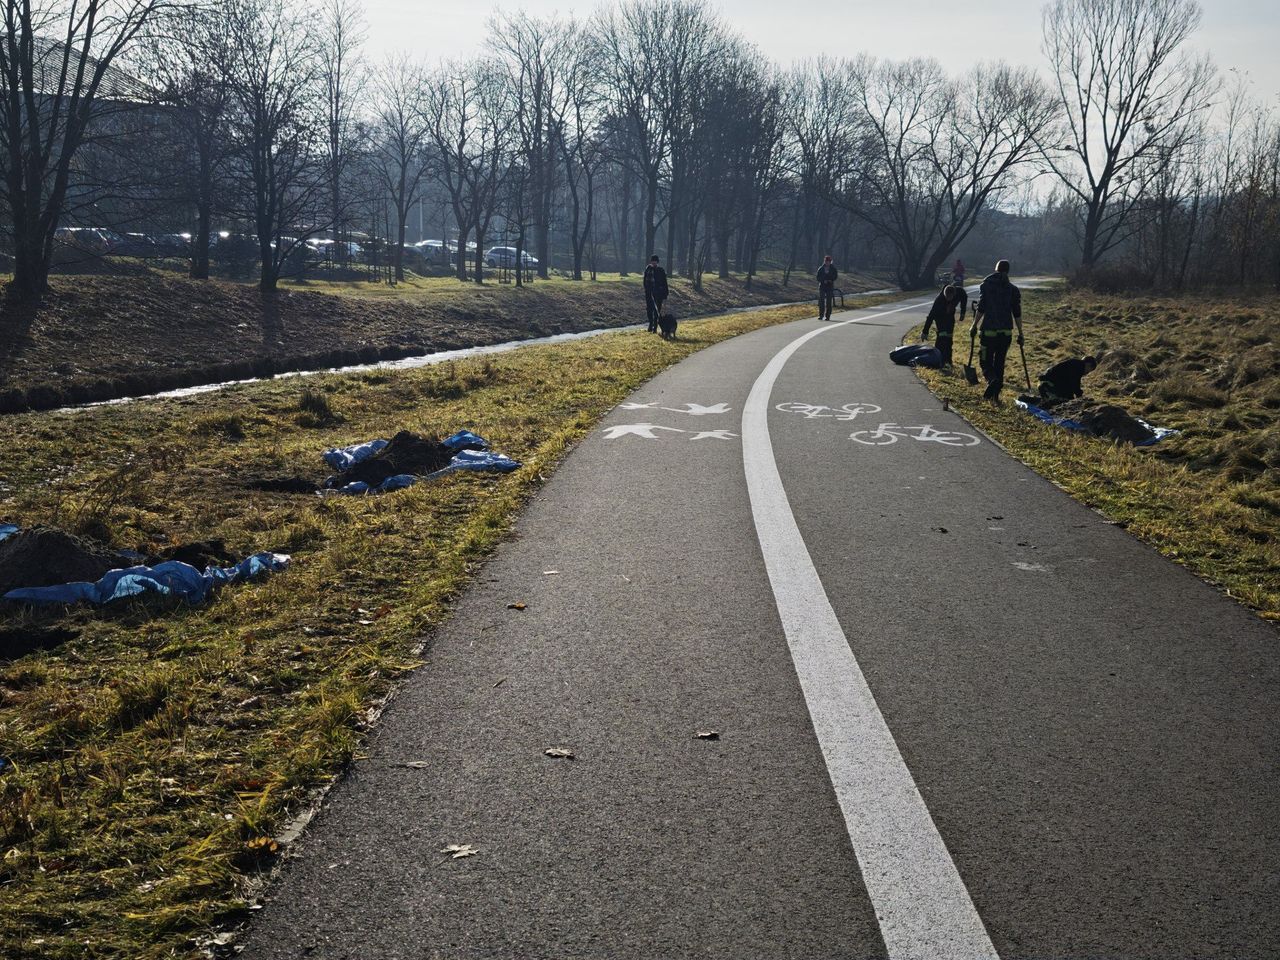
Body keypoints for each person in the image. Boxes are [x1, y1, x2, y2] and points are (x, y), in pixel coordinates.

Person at [970, 259, 1023, 402]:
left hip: (989, 333)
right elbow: (1016, 313)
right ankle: (995, 395)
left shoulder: (986, 286)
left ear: (996, 269)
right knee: (999, 363)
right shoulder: (1013, 289)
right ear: (1008, 271)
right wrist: (1020, 332)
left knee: (985, 361)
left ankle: (992, 380)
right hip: (1006, 334)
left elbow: (981, 308)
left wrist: (974, 325)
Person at [921, 284, 968, 366]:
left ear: (954, 294)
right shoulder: (939, 300)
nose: (948, 300)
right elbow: (930, 317)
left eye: (950, 298)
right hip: (940, 317)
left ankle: (948, 361)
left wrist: (963, 312)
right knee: (942, 337)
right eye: (947, 298)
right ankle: (938, 359)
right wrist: (925, 332)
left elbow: (964, 297)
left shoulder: (959, 291)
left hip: (950, 316)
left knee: (949, 339)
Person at [643, 255, 668, 333]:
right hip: (649, 292)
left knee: (657, 310)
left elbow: (664, 282)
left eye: (655, 261)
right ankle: (650, 324)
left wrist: (665, 293)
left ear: (657, 262)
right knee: (649, 309)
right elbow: (645, 280)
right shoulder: (648, 269)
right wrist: (646, 289)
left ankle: (655, 326)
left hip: (658, 293)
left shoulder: (661, 270)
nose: (653, 262)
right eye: (652, 261)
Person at [816, 255, 838, 321]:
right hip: (822, 286)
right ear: (824, 261)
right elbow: (818, 277)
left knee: (828, 302)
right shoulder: (821, 268)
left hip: (829, 286)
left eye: (828, 261)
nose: (827, 262)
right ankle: (821, 315)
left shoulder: (833, 269)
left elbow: (835, 276)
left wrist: (830, 280)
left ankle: (827, 316)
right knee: (821, 301)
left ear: (830, 262)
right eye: (826, 261)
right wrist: (823, 280)